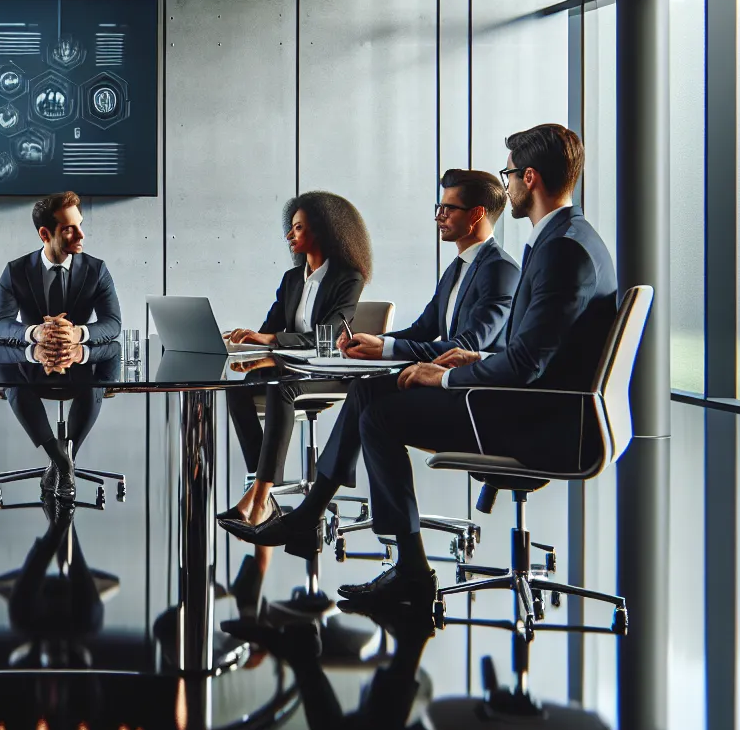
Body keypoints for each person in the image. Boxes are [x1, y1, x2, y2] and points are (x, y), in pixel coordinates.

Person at [228, 125, 617, 618]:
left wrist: (447, 375)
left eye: (511, 175)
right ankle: (335, 530)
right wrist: (442, 356)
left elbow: (526, 363)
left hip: (540, 420)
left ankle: (392, 559)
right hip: (532, 400)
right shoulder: (565, 240)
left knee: (380, 414)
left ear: (531, 178)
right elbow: (532, 350)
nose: (509, 185)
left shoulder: (562, 251)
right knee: (372, 395)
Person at [218, 191, 370, 528]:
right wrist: (243, 341)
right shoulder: (291, 280)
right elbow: (269, 329)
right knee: (237, 387)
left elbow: (325, 336)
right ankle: (263, 490)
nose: (290, 236)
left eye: (298, 228)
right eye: (290, 228)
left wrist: (270, 340)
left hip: (329, 371)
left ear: (323, 230)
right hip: (289, 368)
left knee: (281, 386)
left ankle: (259, 497)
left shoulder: (349, 278)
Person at [0, 191, 122, 499]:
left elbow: (113, 323)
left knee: (95, 382)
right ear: (45, 234)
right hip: (31, 370)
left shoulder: (96, 269)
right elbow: (0, 324)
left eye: (80, 225)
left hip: (81, 366)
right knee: (11, 378)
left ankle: (63, 462)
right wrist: (35, 333)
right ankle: (61, 458)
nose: (81, 234)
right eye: (70, 228)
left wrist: (77, 334)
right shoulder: (16, 271)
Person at [336, 168, 518, 364]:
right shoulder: (455, 268)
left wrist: (384, 349)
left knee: (367, 389)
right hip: (443, 377)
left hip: (473, 386)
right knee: (365, 387)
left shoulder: (500, 269)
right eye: (440, 208)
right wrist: (373, 342)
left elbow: (468, 345)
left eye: (449, 209)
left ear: (476, 215)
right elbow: (422, 331)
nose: (439, 217)